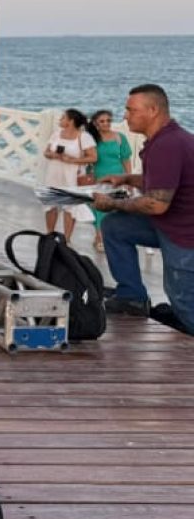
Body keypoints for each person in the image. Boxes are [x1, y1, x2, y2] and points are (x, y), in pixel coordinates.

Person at [93, 84, 194, 334]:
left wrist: (110, 203)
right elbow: (163, 180)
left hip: (184, 232)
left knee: (182, 300)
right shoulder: (165, 139)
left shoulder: (167, 145)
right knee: (115, 226)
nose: (125, 115)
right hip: (167, 222)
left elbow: (156, 203)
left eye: (131, 110)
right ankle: (132, 297)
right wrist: (127, 178)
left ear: (152, 110)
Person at [41, 108, 98, 240]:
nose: (60, 120)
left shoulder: (83, 136)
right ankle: (49, 234)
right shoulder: (56, 134)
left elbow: (93, 157)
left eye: (63, 118)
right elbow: (46, 152)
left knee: (70, 207)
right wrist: (54, 155)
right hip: (54, 173)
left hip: (72, 175)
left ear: (71, 121)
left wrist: (72, 160)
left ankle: (66, 238)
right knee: (50, 204)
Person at [86, 108, 133, 251]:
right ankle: (100, 237)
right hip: (99, 177)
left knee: (114, 208)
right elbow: (88, 159)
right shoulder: (91, 139)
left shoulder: (119, 138)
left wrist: (128, 179)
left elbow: (126, 159)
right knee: (99, 209)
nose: (106, 123)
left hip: (117, 177)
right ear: (95, 123)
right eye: (102, 121)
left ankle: (103, 237)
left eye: (108, 121)